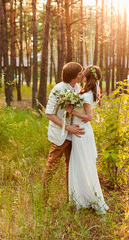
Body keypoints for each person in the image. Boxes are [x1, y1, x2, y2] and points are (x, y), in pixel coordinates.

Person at [66, 65, 109, 214]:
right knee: (80, 165)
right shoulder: (87, 92)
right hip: (81, 132)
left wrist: (72, 112)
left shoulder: (86, 95)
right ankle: (82, 199)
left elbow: (89, 117)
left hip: (81, 132)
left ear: (88, 76)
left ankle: (90, 199)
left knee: (83, 165)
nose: (81, 75)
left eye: (83, 74)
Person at [42, 62, 85, 201]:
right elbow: (49, 114)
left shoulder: (78, 87)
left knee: (71, 168)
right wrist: (68, 127)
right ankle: (43, 198)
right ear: (72, 76)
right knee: (52, 166)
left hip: (75, 135)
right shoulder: (58, 89)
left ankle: (71, 199)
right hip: (61, 135)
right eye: (80, 73)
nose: (82, 75)